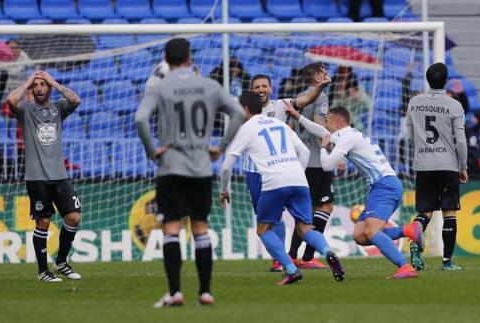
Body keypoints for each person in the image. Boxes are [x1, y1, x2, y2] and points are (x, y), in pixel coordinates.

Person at [135, 38, 245, 308]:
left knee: (171, 228)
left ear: (166, 58)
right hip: (201, 166)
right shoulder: (209, 85)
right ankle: (205, 292)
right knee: (200, 228)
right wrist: (220, 146)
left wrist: (152, 150)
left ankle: (175, 293)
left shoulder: (160, 87)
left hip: (171, 166)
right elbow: (238, 113)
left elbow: (140, 119)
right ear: (189, 57)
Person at [218, 91, 345, 285]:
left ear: (245, 109)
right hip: (298, 179)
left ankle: (291, 269)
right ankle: (328, 251)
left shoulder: (246, 128)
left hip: (274, 181)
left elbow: (227, 165)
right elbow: (302, 151)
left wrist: (224, 189)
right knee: (305, 228)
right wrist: (298, 174)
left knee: (263, 229)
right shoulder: (280, 124)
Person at [285, 104, 423, 279]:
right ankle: (408, 230)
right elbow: (320, 131)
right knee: (360, 236)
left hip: (385, 186)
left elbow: (327, 165)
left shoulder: (347, 138)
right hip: (381, 187)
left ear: (336, 123)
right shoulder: (346, 134)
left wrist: (322, 147)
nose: (324, 124)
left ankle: (405, 267)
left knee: (372, 232)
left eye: (327, 121)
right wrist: (297, 116)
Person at [248, 69, 331, 272]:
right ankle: (292, 256)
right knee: (265, 220)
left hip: (277, 171)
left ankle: (283, 260)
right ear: (252, 90)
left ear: (270, 88)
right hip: (252, 171)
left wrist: (319, 87)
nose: (261, 90)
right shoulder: (244, 109)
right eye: (257, 87)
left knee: (274, 219)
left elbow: (304, 99)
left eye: (264, 86)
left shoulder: (280, 106)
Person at [6, 70, 82, 282]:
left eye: (42, 85)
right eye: (36, 86)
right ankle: (43, 272)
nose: (39, 88)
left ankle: (61, 262)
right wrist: (28, 81)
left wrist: (55, 83)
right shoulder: (25, 111)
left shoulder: (58, 109)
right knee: (43, 223)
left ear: (48, 87)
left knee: (74, 217)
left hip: (60, 175)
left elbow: (76, 99)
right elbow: (11, 100)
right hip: (37, 177)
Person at [406, 62, 468, 271]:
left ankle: (415, 242)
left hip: (423, 163)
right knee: (449, 212)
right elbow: (460, 140)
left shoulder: (414, 102)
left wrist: (419, 155)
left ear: (427, 79)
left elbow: (410, 136)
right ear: (446, 80)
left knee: (425, 211)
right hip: (447, 163)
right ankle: (447, 262)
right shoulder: (454, 105)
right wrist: (463, 165)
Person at [287, 62, 336, 269]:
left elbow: (290, 128)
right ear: (316, 77)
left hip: (302, 161)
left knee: (305, 212)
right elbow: (319, 123)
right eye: (323, 71)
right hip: (317, 161)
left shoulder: (298, 98)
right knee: (324, 207)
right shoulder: (321, 97)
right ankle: (307, 257)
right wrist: (331, 148)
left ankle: (292, 256)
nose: (327, 73)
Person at [329, 66, 370, 132]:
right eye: (341, 70)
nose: (344, 73)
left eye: (346, 70)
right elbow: (328, 108)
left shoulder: (356, 87)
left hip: (354, 125)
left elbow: (369, 106)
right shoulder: (330, 86)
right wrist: (338, 97)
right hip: (334, 125)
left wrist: (358, 96)